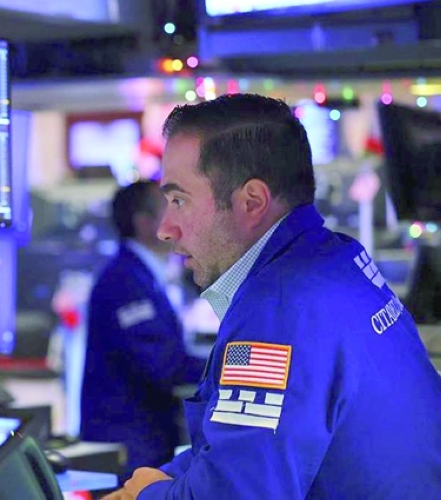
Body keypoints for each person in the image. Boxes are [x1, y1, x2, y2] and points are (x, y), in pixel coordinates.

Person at [108, 93, 441, 500]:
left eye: (179, 200)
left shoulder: (276, 308)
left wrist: (146, 495)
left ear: (251, 202)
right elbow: (238, 449)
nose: (165, 228)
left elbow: (240, 494)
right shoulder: (337, 258)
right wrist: (166, 481)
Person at [80, 181, 206, 476]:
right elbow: (164, 366)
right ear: (144, 222)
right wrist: (230, 366)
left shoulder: (141, 275)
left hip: (143, 443)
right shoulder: (125, 283)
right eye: (171, 207)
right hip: (129, 449)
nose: (180, 219)